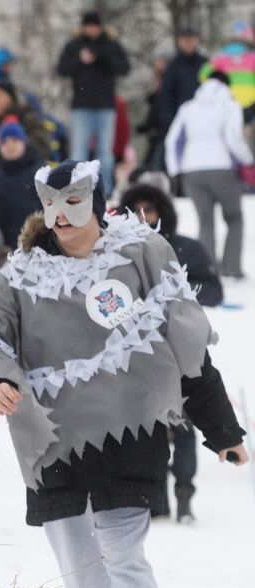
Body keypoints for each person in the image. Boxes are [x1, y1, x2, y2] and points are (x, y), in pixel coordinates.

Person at [0, 160, 248, 588]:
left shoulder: (142, 254)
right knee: (79, 563)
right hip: (51, 437)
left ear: (95, 199)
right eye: (52, 204)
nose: (62, 216)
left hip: (129, 427)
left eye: (73, 201)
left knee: (123, 551)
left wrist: (223, 432)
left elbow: (185, 341)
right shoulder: (20, 277)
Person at [119, 180, 224, 523]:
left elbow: (212, 289)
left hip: (181, 350)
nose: (143, 217)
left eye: (149, 210)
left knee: (183, 426)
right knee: (146, 429)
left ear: (163, 212)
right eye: (135, 211)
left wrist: (179, 302)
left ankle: (184, 495)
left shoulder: (185, 248)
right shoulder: (116, 255)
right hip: (135, 354)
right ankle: (157, 496)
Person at [165, 73, 252, 278]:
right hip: (223, 169)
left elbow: (172, 140)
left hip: (192, 170)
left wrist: (174, 170)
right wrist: (248, 161)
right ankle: (232, 268)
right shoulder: (230, 106)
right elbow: (234, 138)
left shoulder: (188, 107)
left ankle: (209, 268)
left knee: (206, 222)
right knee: (234, 218)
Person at [57, 10, 130, 193]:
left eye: (94, 27)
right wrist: (80, 60)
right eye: (88, 27)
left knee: (105, 153)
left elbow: (124, 67)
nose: (91, 30)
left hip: (105, 106)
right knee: (79, 151)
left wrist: (104, 56)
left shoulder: (110, 45)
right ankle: (77, 189)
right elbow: (62, 69)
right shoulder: (74, 46)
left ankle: (104, 190)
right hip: (81, 107)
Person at [0, 121, 44, 246]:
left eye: (15, 140)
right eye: (4, 142)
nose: (10, 146)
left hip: (40, 244)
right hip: (6, 249)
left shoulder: (41, 173)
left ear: (24, 142)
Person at [155, 27, 207, 143]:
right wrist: (170, 122)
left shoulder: (205, 64)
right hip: (180, 121)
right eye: (185, 40)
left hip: (204, 121)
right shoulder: (172, 67)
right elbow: (165, 96)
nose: (189, 44)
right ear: (179, 42)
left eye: (192, 40)